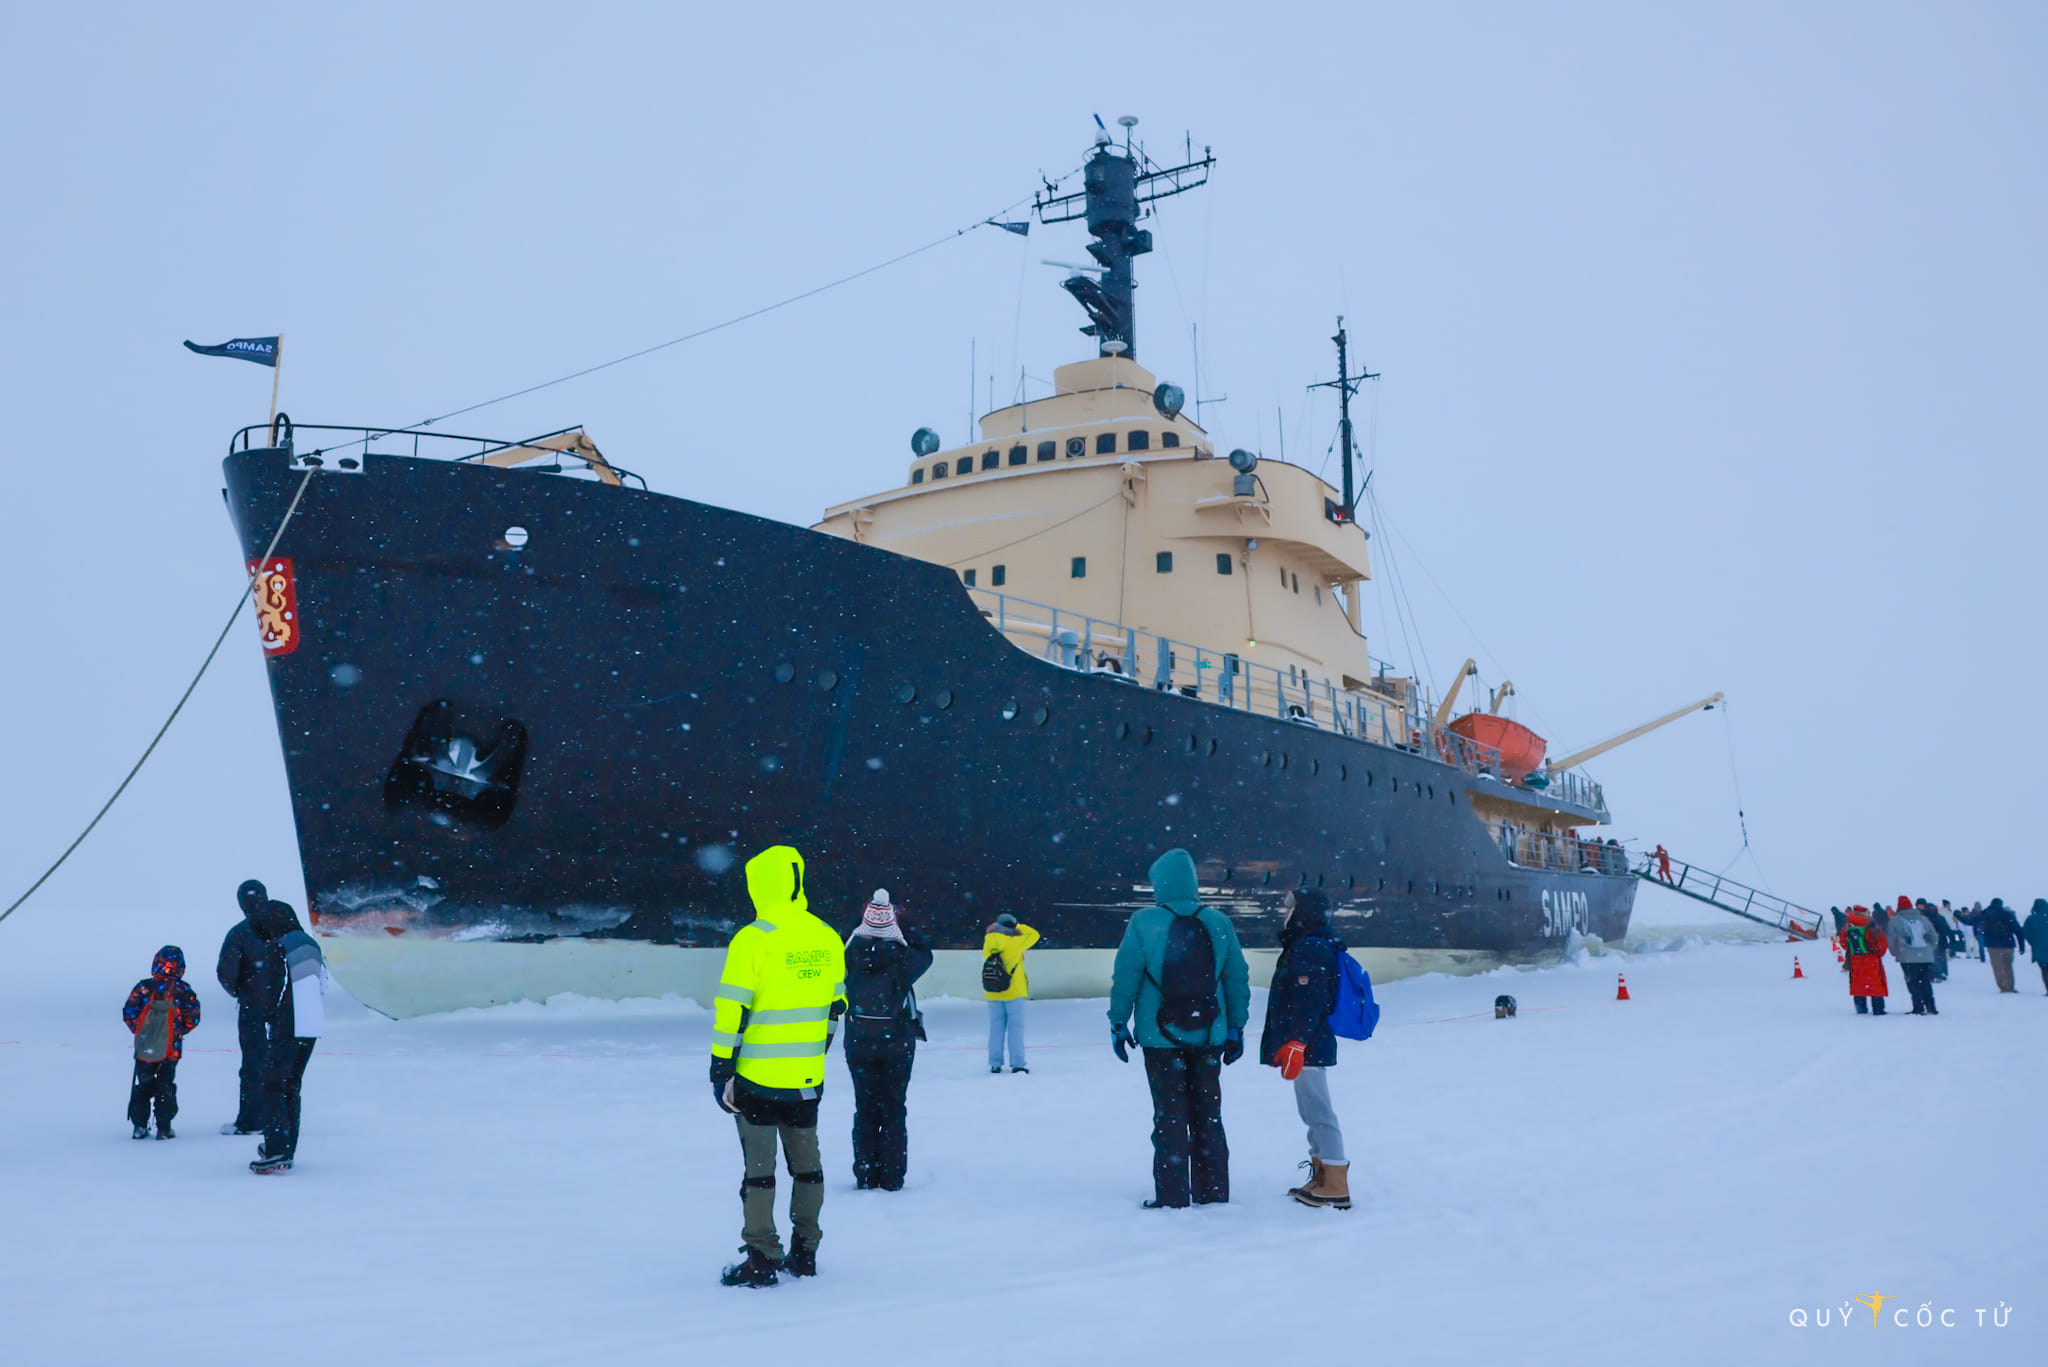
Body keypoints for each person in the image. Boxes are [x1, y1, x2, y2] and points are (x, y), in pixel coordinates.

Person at [708, 845, 847, 1289]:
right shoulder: (826, 934)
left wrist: (721, 1068)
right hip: (806, 1079)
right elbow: (835, 1007)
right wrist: (810, 1055)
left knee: (760, 1173)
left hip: (758, 1079)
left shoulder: (753, 937)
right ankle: (805, 1252)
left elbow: (731, 1011)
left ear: (759, 885)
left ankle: (762, 1258)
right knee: (808, 1169)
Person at [1107, 848, 1250, 1209]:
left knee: (1170, 1116)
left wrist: (1118, 1021)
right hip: (1210, 1035)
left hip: (1160, 1038)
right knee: (1209, 1114)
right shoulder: (1219, 921)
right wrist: (1236, 1027)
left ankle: (1172, 1194)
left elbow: (1126, 977)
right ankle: (1213, 1190)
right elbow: (1236, 978)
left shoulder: (1144, 922)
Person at [1258, 889, 1350, 1209]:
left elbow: (1310, 1001)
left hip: (1308, 1043)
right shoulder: (1306, 943)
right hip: (1306, 1042)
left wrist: (1297, 1041)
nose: (1285, 912)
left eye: (1290, 907)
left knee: (1319, 1111)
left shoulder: (1309, 947)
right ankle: (1321, 1177)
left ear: (1304, 911)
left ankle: (1336, 1182)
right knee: (1311, 1112)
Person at [841, 890, 932, 1191]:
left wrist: (860, 923)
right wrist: (903, 921)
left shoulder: (849, 954)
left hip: (858, 1040)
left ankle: (866, 1174)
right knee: (894, 1108)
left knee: (864, 1108)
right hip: (897, 1041)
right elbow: (926, 951)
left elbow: (845, 940)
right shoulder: (904, 958)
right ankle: (892, 1176)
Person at [249, 900, 324, 1174]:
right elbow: (321, 984)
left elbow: (276, 988)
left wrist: (268, 1014)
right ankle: (286, 1145)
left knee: (272, 1086)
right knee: (291, 1085)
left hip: (288, 1025)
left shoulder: (279, 946)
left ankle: (276, 1148)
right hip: (311, 1025)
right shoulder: (309, 943)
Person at [122, 946, 202, 1139]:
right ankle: (164, 1126)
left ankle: (139, 1125)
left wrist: (142, 1031)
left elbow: (129, 1012)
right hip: (171, 1050)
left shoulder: (143, 987)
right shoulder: (183, 990)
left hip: (144, 1048)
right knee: (165, 1086)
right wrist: (177, 1032)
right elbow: (194, 1016)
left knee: (143, 1086)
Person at [215, 878, 272, 1135]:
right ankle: (280, 1119)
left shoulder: (238, 934)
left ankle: (251, 1120)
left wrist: (244, 992)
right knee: (281, 1064)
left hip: (254, 1008)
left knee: (253, 1064)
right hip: (285, 1009)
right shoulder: (286, 929)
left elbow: (226, 974)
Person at [982, 913, 1039, 1074]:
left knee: (995, 1029)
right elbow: (1034, 935)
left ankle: (995, 1063)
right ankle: (1018, 1063)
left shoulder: (988, 942)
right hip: (1014, 992)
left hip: (993, 992)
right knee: (1016, 1029)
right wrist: (1019, 926)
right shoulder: (1015, 942)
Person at [1887, 897, 1939, 1016]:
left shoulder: (1895, 920)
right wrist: (1929, 949)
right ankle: (1931, 1006)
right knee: (1926, 982)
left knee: (1913, 983)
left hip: (1907, 956)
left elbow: (1891, 939)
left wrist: (1895, 952)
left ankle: (1918, 1007)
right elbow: (1934, 937)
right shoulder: (1923, 919)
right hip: (1925, 956)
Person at [1842, 906, 1889, 1015]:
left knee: (1858, 986)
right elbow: (1881, 942)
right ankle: (1878, 1009)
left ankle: (1861, 1009)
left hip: (1855, 959)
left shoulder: (1848, 925)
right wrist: (1878, 953)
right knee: (1875, 985)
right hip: (1871, 959)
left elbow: (1844, 943)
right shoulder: (1871, 924)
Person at [1980, 898, 2025, 993]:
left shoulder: (1985, 914)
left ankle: (2003, 987)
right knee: (2008, 966)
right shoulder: (2008, 915)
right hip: (2008, 945)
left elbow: (1977, 925)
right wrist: (2022, 945)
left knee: (1998, 968)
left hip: (1993, 946)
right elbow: (2018, 930)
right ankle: (2010, 986)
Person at [1922, 900, 1954, 983]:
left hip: (1931, 939)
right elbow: (1946, 929)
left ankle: (1936, 974)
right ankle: (1943, 973)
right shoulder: (1939, 917)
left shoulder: (1925, 918)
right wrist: (1949, 938)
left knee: (1934, 958)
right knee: (1941, 957)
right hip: (1941, 939)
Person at [2023, 899, 2048, 995]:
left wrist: (2033, 942)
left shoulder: (2031, 919)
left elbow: (2025, 933)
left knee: (2045, 970)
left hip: (2039, 949)